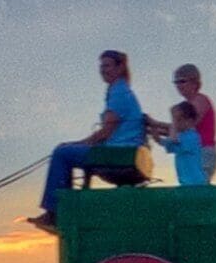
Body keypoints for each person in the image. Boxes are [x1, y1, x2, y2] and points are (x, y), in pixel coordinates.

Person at [33, 49, 150, 228]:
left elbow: (106, 131)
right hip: (122, 151)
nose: (103, 70)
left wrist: (79, 143)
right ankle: (61, 209)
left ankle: (55, 213)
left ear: (120, 67)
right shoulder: (123, 91)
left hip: (117, 153)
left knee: (61, 153)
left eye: (108, 65)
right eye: (101, 66)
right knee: (67, 151)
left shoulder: (119, 91)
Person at [151, 63, 216, 185]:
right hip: (190, 151)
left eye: (182, 81)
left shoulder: (200, 100)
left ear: (194, 82)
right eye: (176, 82)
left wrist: (155, 124)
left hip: (202, 151)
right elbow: (176, 132)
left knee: (198, 189)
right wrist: (153, 128)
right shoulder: (186, 105)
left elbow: (183, 127)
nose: (178, 85)